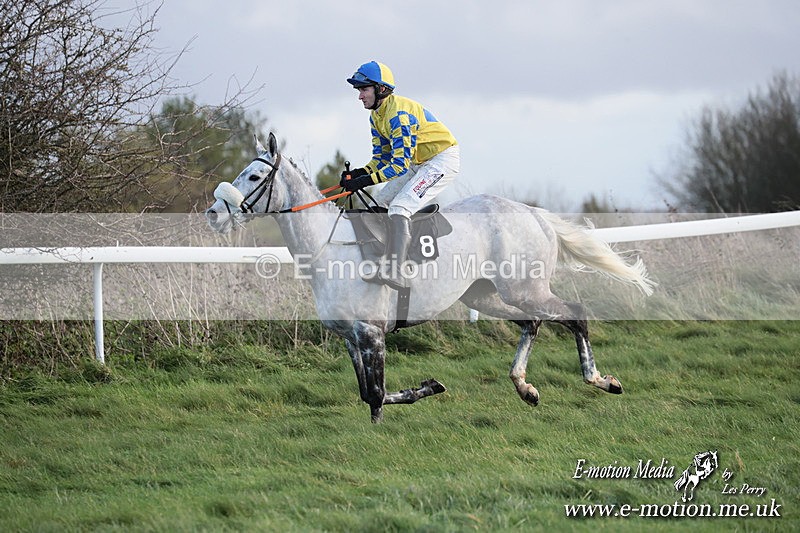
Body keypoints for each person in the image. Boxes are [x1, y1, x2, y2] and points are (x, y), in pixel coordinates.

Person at [342, 61, 460, 290]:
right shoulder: (376, 116)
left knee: (399, 207)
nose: (359, 96)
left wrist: (365, 181)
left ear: (381, 89)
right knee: (378, 203)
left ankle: (397, 271)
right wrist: (357, 174)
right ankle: (381, 259)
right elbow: (380, 159)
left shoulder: (399, 115)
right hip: (419, 162)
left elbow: (398, 166)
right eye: (359, 90)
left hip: (441, 160)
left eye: (364, 89)